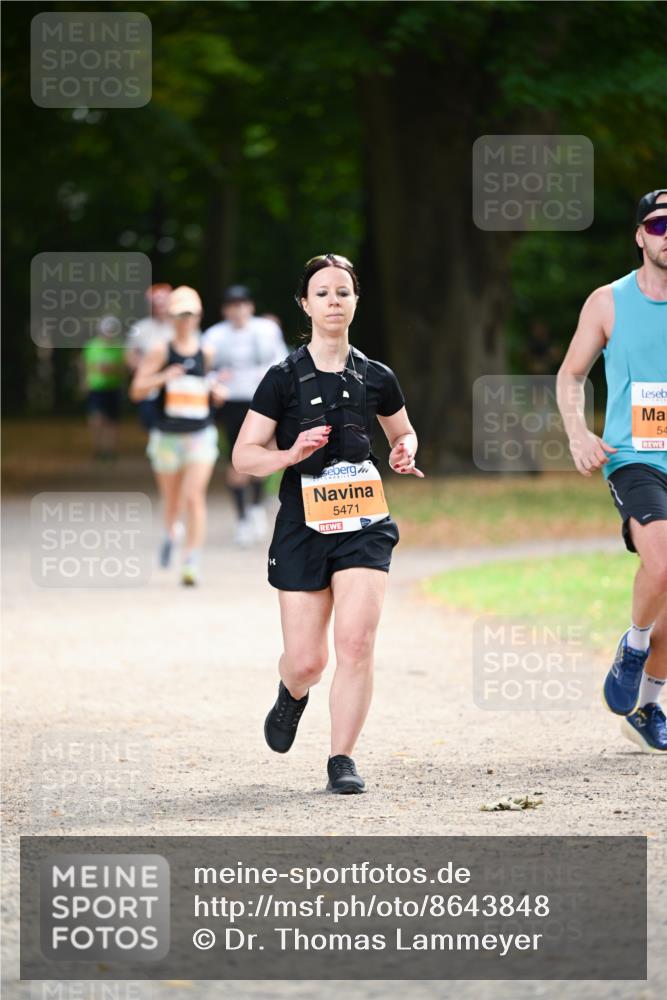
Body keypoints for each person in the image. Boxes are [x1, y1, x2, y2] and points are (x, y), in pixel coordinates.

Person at [232, 254, 424, 793]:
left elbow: (403, 433)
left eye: (343, 291)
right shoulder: (283, 379)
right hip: (302, 527)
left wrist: (405, 451)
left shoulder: (377, 377)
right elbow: (244, 457)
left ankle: (342, 758)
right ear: (305, 305)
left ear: (356, 300)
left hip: (364, 522)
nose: (333, 301)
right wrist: (290, 453)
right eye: (322, 293)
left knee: (357, 644)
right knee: (308, 659)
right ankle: (292, 692)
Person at [557, 189, 667, 753]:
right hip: (636, 456)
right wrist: (578, 432)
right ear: (640, 235)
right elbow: (571, 375)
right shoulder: (609, 302)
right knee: (663, 560)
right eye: (660, 223)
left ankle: (647, 705)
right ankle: (635, 642)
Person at [129, 286, 227, 585]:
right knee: (172, 501)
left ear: (198, 316)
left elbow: (207, 383)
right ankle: (171, 531)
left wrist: (215, 392)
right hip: (167, 436)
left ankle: (190, 560)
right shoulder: (161, 349)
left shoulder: (206, 351)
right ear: (170, 317)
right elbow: (137, 390)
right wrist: (162, 377)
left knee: (194, 496)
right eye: (179, 314)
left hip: (200, 434)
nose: (185, 320)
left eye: (190, 314)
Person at [202, 286, 288, 546]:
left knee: (263, 455)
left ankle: (256, 506)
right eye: (232, 305)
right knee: (237, 460)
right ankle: (241, 518)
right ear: (225, 309)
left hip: (262, 400)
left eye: (242, 304)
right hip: (232, 403)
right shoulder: (214, 335)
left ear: (250, 306)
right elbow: (201, 370)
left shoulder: (266, 330)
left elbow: (283, 359)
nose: (238, 310)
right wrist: (215, 381)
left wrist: (272, 377)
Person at [126, 284, 174, 431]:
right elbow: (129, 354)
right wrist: (141, 368)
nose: (160, 307)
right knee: (150, 420)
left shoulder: (179, 326)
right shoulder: (139, 328)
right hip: (149, 383)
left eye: (163, 302)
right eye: (155, 303)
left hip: (173, 383)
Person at [81, 315, 127, 461]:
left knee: (112, 421)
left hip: (113, 387)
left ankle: (111, 450)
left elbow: (124, 368)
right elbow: (85, 366)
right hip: (96, 387)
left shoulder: (120, 346)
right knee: (96, 419)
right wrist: (84, 381)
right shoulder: (91, 346)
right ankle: (97, 448)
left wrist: (113, 370)